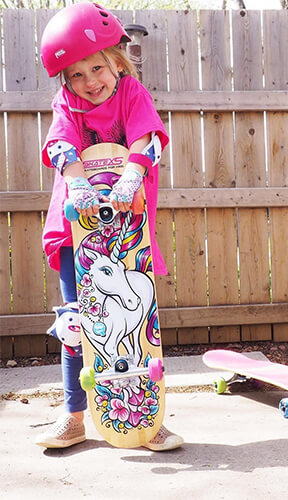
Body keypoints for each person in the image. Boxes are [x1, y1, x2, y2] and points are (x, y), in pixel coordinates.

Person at [35, 2, 183, 451]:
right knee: (80, 325)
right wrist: (78, 184)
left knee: (137, 322)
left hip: (127, 232)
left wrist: (133, 173)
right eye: (76, 75)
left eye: (97, 68)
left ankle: (148, 420)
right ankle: (74, 416)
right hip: (76, 231)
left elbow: (147, 137)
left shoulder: (132, 95)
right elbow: (60, 144)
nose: (89, 82)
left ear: (118, 62)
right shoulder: (67, 103)